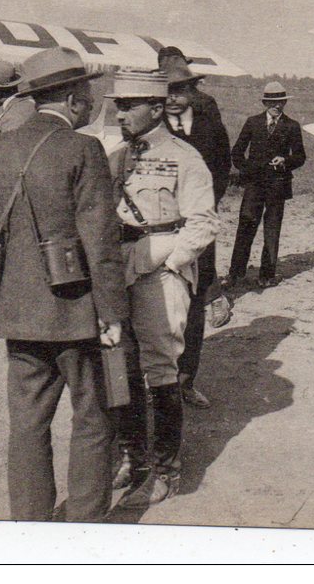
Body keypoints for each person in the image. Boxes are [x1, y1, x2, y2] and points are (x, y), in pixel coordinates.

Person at [0, 47, 127, 522]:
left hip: (17, 314)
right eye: (86, 93)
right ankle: (85, 523)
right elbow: (101, 238)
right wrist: (112, 314)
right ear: (71, 97)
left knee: (27, 424)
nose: (90, 101)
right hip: (79, 313)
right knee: (93, 419)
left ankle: (30, 525)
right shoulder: (84, 149)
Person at [108, 69, 219, 508]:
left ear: (156, 108)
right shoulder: (115, 156)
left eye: (130, 105)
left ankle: (165, 470)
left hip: (159, 273)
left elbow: (203, 223)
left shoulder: (185, 158)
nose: (121, 114)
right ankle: (133, 458)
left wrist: (171, 265)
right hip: (121, 270)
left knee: (160, 371)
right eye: (117, 105)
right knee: (123, 366)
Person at [159, 48, 233, 409]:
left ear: (192, 90)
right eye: (167, 90)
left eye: (180, 90)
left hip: (198, 228)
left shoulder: (209, 121)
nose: (173, 98)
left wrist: (202, 210)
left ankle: (186, 381)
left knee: (195, 302)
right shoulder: (150, 124)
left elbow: (222, 168)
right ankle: (161, 381)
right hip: (160, 231)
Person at [226, 81, 306, 289]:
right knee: (246, 226)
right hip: (254, 185)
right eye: (272, 101)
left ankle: (267, 275)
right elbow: (236, 153)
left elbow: (300, 157)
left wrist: (285, 161)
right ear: (265, 102)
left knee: (272, 230)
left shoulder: (292, 126)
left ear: (284, 103)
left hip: (278, 185)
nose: (276, 106)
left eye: (280, 102)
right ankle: (236, 273)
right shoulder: (252, 123)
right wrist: (248, 170)